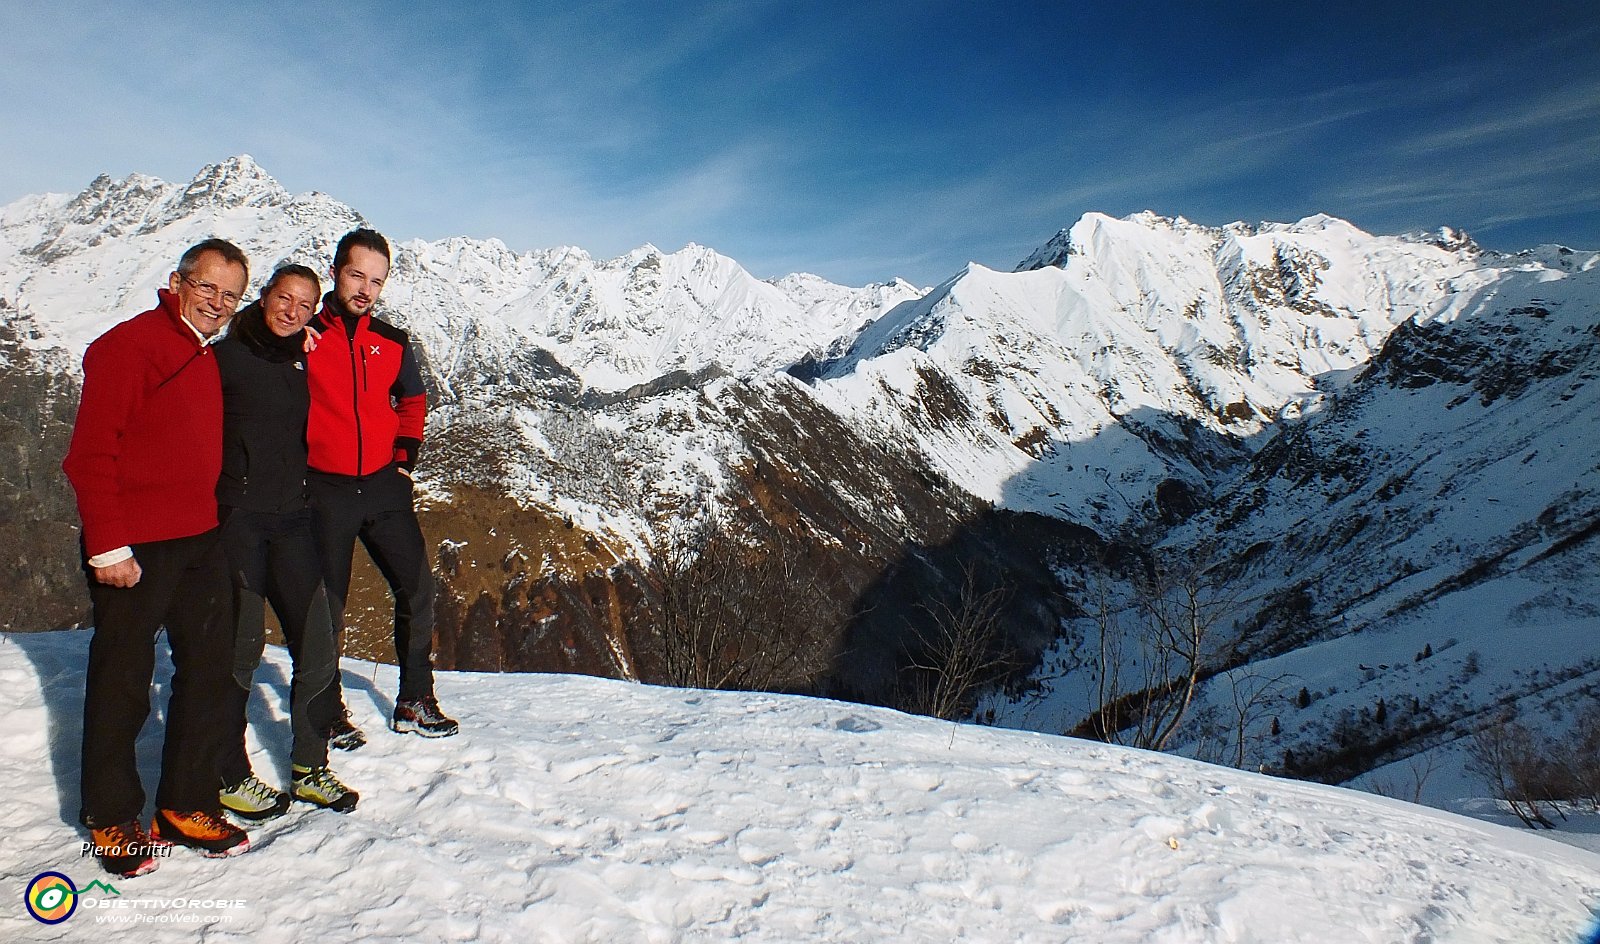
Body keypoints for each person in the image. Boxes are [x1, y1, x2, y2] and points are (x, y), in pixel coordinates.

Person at [62, 238, 253, 877]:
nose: (218, 305)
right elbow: (90, 456)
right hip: (136, 547)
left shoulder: (202, 350)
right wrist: (108, 546)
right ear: (177, 282)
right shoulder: (129, 347)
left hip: (200, 540)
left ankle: (184, 803)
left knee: (207, 675)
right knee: (122, 680)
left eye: (231, 296)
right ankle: (112, 816)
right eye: (208, 289)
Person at [213, 264, 358, 818]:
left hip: (293, 521)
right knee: (242, 649)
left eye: (304, 304)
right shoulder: (226, 359)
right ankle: (229, 773)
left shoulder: (307, 357)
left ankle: (310, 766)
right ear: (265, 297)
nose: (291, 310)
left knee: (318, 642)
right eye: (283, 298)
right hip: (240, 522)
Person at [306, 228, 457, 745]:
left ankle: (415, 699)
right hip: (322, 490)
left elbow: (413, 402)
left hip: (382, 487)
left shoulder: (391, 342)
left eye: (376, 280)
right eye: (356, 276)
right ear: (335, 272)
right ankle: (325, 713)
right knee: (327, 604)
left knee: (417, 588)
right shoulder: (302, 335)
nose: (365, 289)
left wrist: (403, 463)